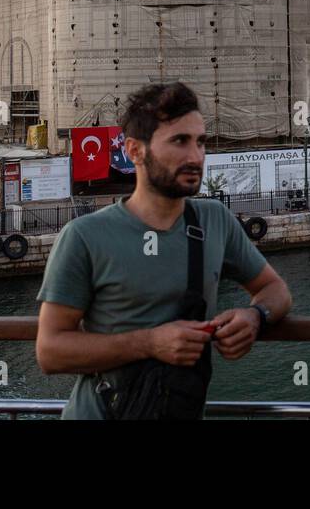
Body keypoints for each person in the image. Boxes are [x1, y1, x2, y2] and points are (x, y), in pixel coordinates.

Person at [36, 82, 291, 419]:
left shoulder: (215, 220)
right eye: (179, 141)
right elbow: (50, 352)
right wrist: (150, 343)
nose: (195, 156)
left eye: (201, 142)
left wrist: (255, 317)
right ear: (135, 150)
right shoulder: (84, 236)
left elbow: (275, 290)